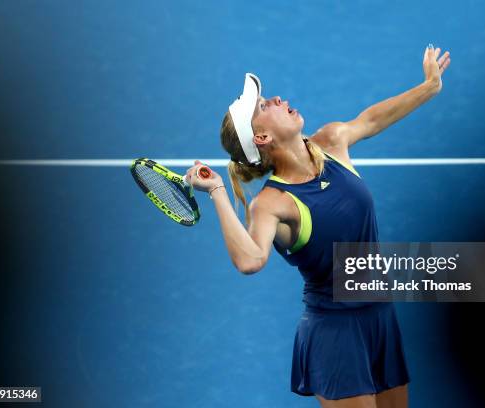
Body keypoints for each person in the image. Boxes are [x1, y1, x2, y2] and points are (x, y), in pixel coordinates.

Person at [186, 44, 451, 408]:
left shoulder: (330, 142)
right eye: (264, 107)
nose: (277, 99)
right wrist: (217, 191)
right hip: (335, 333)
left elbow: (370, 120)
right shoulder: (272, 204)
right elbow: (250, 260)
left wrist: (429, 87)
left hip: (380, 316)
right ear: (262, 138)